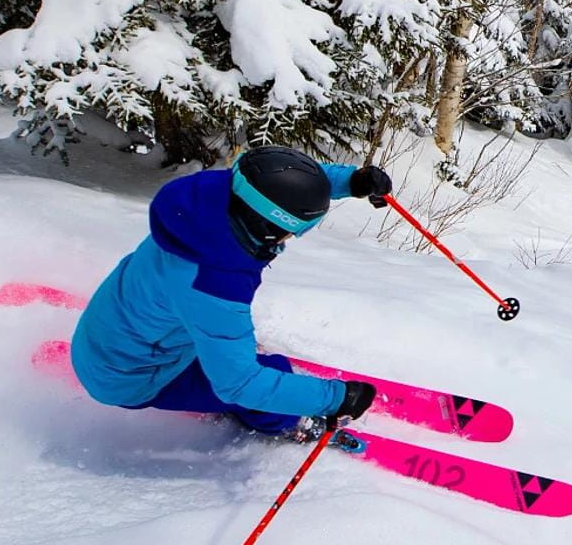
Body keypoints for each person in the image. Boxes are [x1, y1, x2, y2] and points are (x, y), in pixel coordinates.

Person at [71, 146, 393, 439]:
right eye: (293, 232)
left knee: (239, 356)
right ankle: (290, 424)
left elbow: (275, 183)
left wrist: (352, 182)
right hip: (132, 379)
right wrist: (336, 399)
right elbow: (240, 384)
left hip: (108, 340)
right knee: (267, 378)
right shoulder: (214, 284)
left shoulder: (210, 205)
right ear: (269, 230)